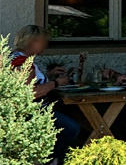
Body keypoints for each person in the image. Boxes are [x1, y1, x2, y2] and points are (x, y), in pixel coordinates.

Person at [10, 25, 81, 164]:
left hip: (31, 111)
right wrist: (56, 82)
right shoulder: (23, 63)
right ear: (33, 41)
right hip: (32, 112)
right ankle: (52, 160)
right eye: (44, 41)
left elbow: (31, 82)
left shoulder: (15, 56)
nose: (46, 45)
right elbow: (29, 92)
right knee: (71, 128)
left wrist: (49, 75)